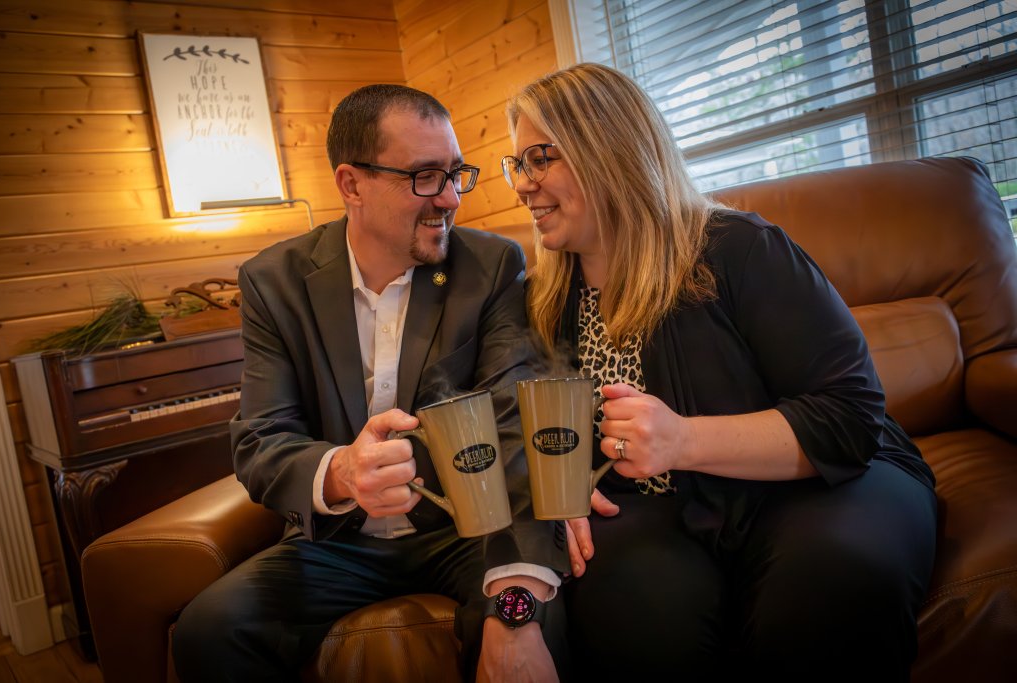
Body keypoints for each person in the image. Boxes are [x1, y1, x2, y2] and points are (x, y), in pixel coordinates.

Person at [501, 63, 938, 680]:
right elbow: (530, 427)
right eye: (517, 164)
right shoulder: (548, 298)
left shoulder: (738, 248)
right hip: (657, 510)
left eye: (540, 158)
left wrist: (682, 440)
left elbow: (848, 416)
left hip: (816, 481)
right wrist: (560, 486)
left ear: (611, 148)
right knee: (632, 617)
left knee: (832, 579)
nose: (523, 184)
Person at [172, 84, 568, 682]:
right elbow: (260, 438)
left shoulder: (489, 266)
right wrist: (340, 472)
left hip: (467, 530)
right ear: (351, 184)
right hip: (337, 543)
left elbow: (515, 416)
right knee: (208, 630)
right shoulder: (274, 283)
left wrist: (514, 606)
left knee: (541, 619)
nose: (450, 199)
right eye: (424, 177)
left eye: (456, 174)